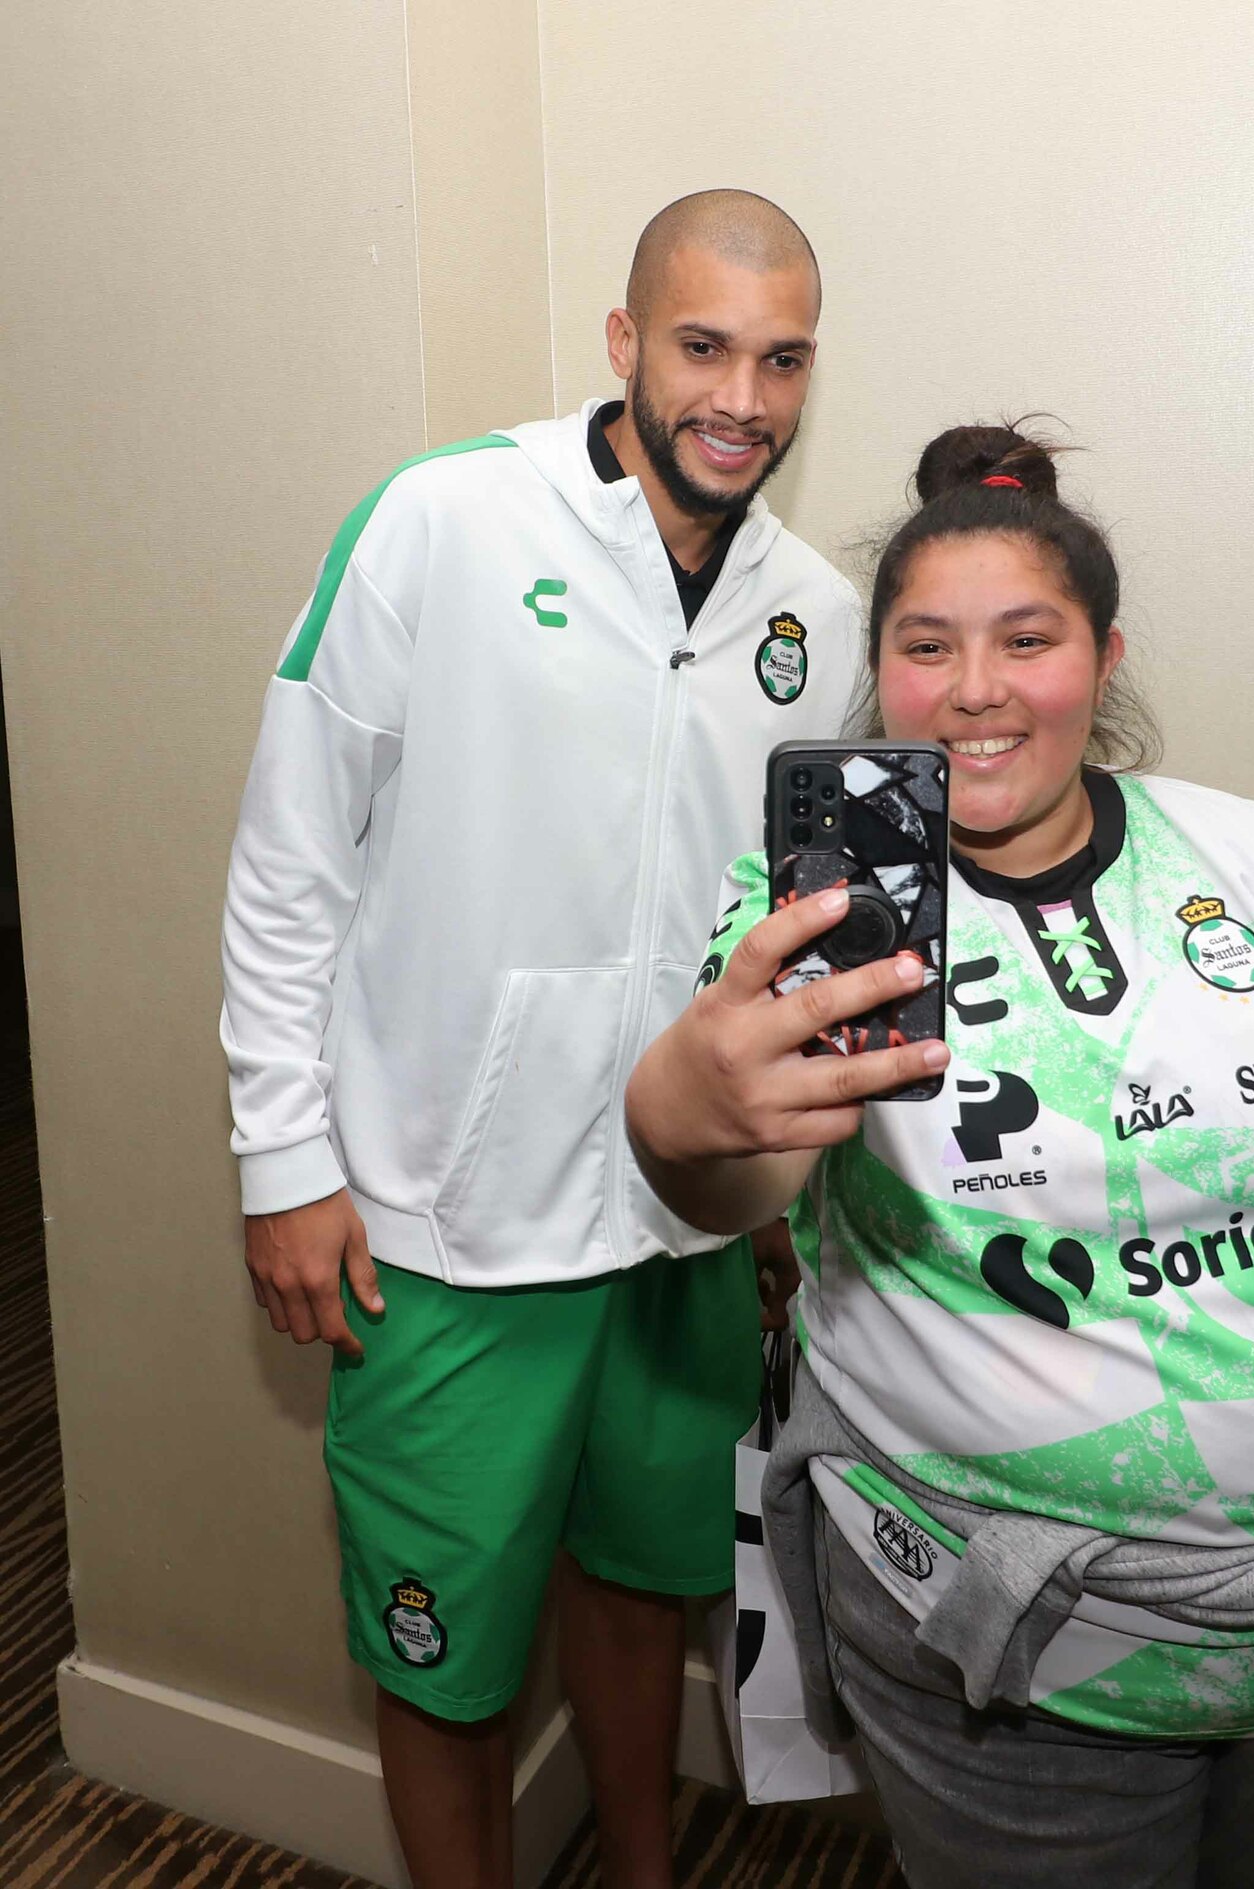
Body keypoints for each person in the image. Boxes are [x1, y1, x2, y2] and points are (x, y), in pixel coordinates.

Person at [626, 421, 1254, 1889]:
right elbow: (737, 1178)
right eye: (926, 647)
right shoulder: (811, 917)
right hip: (1014, 1681)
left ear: (1103, 661)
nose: (975, 689)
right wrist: (677, 1116)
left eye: (1026, 639)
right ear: (881, 674)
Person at [220, 190, 860, 1889]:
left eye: (783, 359)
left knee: (646, 1589)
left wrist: (768, 1195)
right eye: (704, 346)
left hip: (681, 1230)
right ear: (624, 341)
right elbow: (289, 862)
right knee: (446, 1657)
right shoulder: (443, 520)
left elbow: (781, 936)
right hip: (443, 1225)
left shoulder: (818, 615)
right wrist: (283, 1160)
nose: (743, 398)